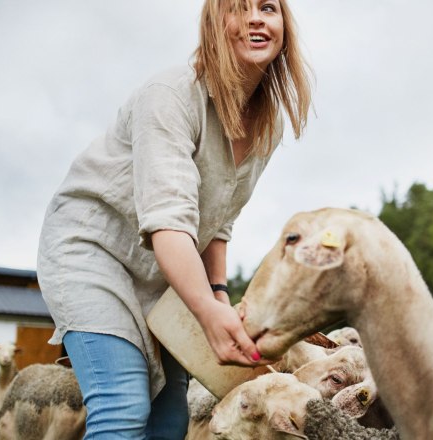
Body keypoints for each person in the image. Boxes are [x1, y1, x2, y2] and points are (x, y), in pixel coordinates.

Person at [36, 0, 311, 438]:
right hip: (94, 252)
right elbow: (169, 221)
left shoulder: (266, 126)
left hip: (167, 273)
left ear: (284, 28)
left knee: (169, 421)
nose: (256, 18)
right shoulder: (169, 95)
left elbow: (218, 218)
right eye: (238, 8)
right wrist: (203, 309)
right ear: (215, 24)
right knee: (123, 405)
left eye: (268, 7)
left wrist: (218, 293)